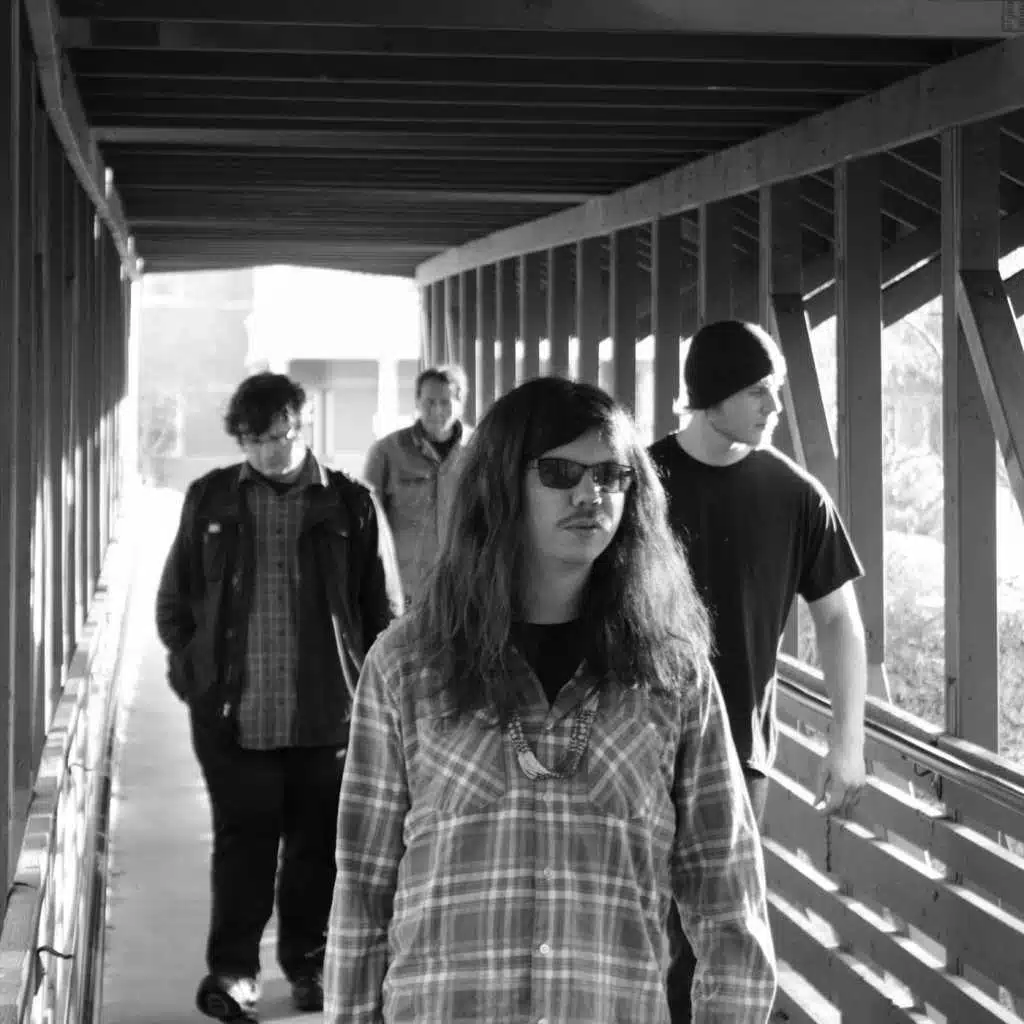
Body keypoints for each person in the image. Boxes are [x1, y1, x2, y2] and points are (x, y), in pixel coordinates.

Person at [324, 376, 777, 1024]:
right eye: (560, 472)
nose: (590, 495)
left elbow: (729, 900)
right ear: (502, 485)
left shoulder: (671, 676)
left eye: (611, 475)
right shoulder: (407, 666)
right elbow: (363, 892)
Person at [155, 371, 403, 1022]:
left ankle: (309, 966)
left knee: (317, 850)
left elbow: (382, 611)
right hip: (234, 718)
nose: (269, 450)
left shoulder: (349, 503)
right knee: (243, 845)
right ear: (241, 440)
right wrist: (194, 674)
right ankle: (235, 972)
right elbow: (176, 600)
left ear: (303, 426)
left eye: (280, 436)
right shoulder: (211, 498)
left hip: (327, 715)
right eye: (255, 439)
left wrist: (375, 695)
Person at [648, 319, 868, 1023]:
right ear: (710, 394)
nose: (774, 405)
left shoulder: (795, 494)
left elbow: (839, 620)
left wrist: (847, 741)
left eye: (775, 388)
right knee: (634, 930)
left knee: (716, 939)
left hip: (739, 754)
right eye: (757, 391)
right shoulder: (639, 483)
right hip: (632, 742)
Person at [363, 364, 470, 605]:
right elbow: (368, 524)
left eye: (445, 402)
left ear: (460, 403)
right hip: (406, 592)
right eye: (429, 402)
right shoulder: (387, 452)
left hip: (464, 589)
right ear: (417, 401)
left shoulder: (479, 452)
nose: (437, 410)